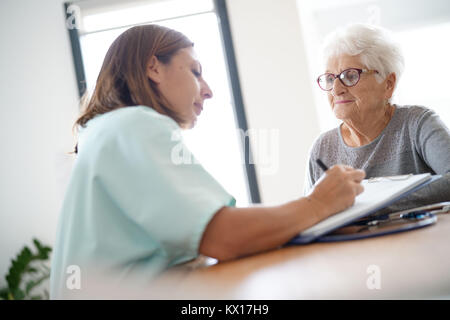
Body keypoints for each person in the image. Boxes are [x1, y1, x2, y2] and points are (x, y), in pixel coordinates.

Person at [50, 24, 365, 299]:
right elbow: (224, 237)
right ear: (153, 68)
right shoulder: (134, 124)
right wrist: (318, 204)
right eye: (195, 71)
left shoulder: (105, 131)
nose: (209, 90)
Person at [305, 23, 450, 207]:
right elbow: (311, 212)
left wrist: (374, 204)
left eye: (350, 76)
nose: (336, 89)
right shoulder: (322, 149)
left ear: (388, 84)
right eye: (330, 78)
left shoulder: (417, 123)